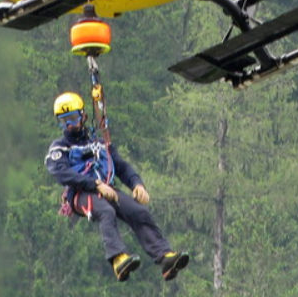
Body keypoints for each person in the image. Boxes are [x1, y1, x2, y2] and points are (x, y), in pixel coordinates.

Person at [46, 91, 190, 282]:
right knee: (106, 211)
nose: (69, 125)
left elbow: (120, 166)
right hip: (81, 195)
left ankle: (165, 258)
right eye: (63, 121)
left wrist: (137, 184)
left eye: (72, 118)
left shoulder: (99, 143)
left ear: (83, 116)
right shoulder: (60, 147)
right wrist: (95, 184)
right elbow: (60, 172)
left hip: (108, 189)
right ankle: (117, 259)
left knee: (139, 212)